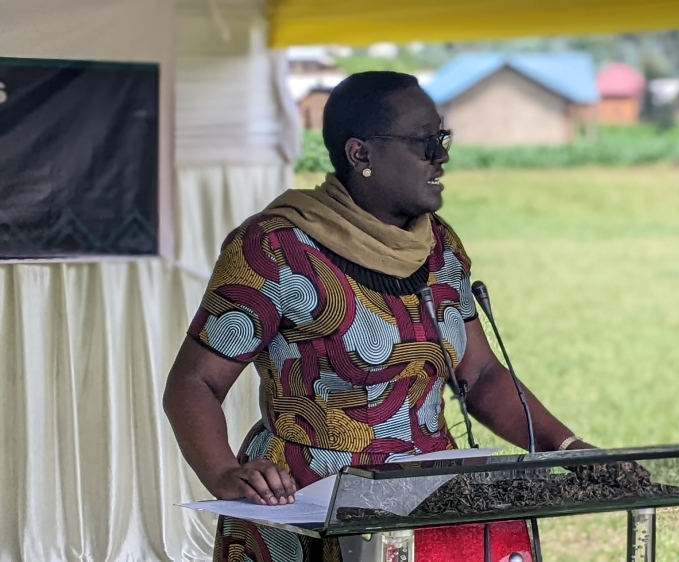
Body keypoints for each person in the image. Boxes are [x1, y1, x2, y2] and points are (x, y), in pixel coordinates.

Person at [163, 71, 591, 561]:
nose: (442, 155)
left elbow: (482, 375)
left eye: (442, 137)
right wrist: (222, 472)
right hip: (304, 511)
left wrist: (568, 447)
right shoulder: (275, 249)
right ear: (359, 153)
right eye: (422, 142)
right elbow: (194, 383)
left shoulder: (440, 249)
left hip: (431, 509)